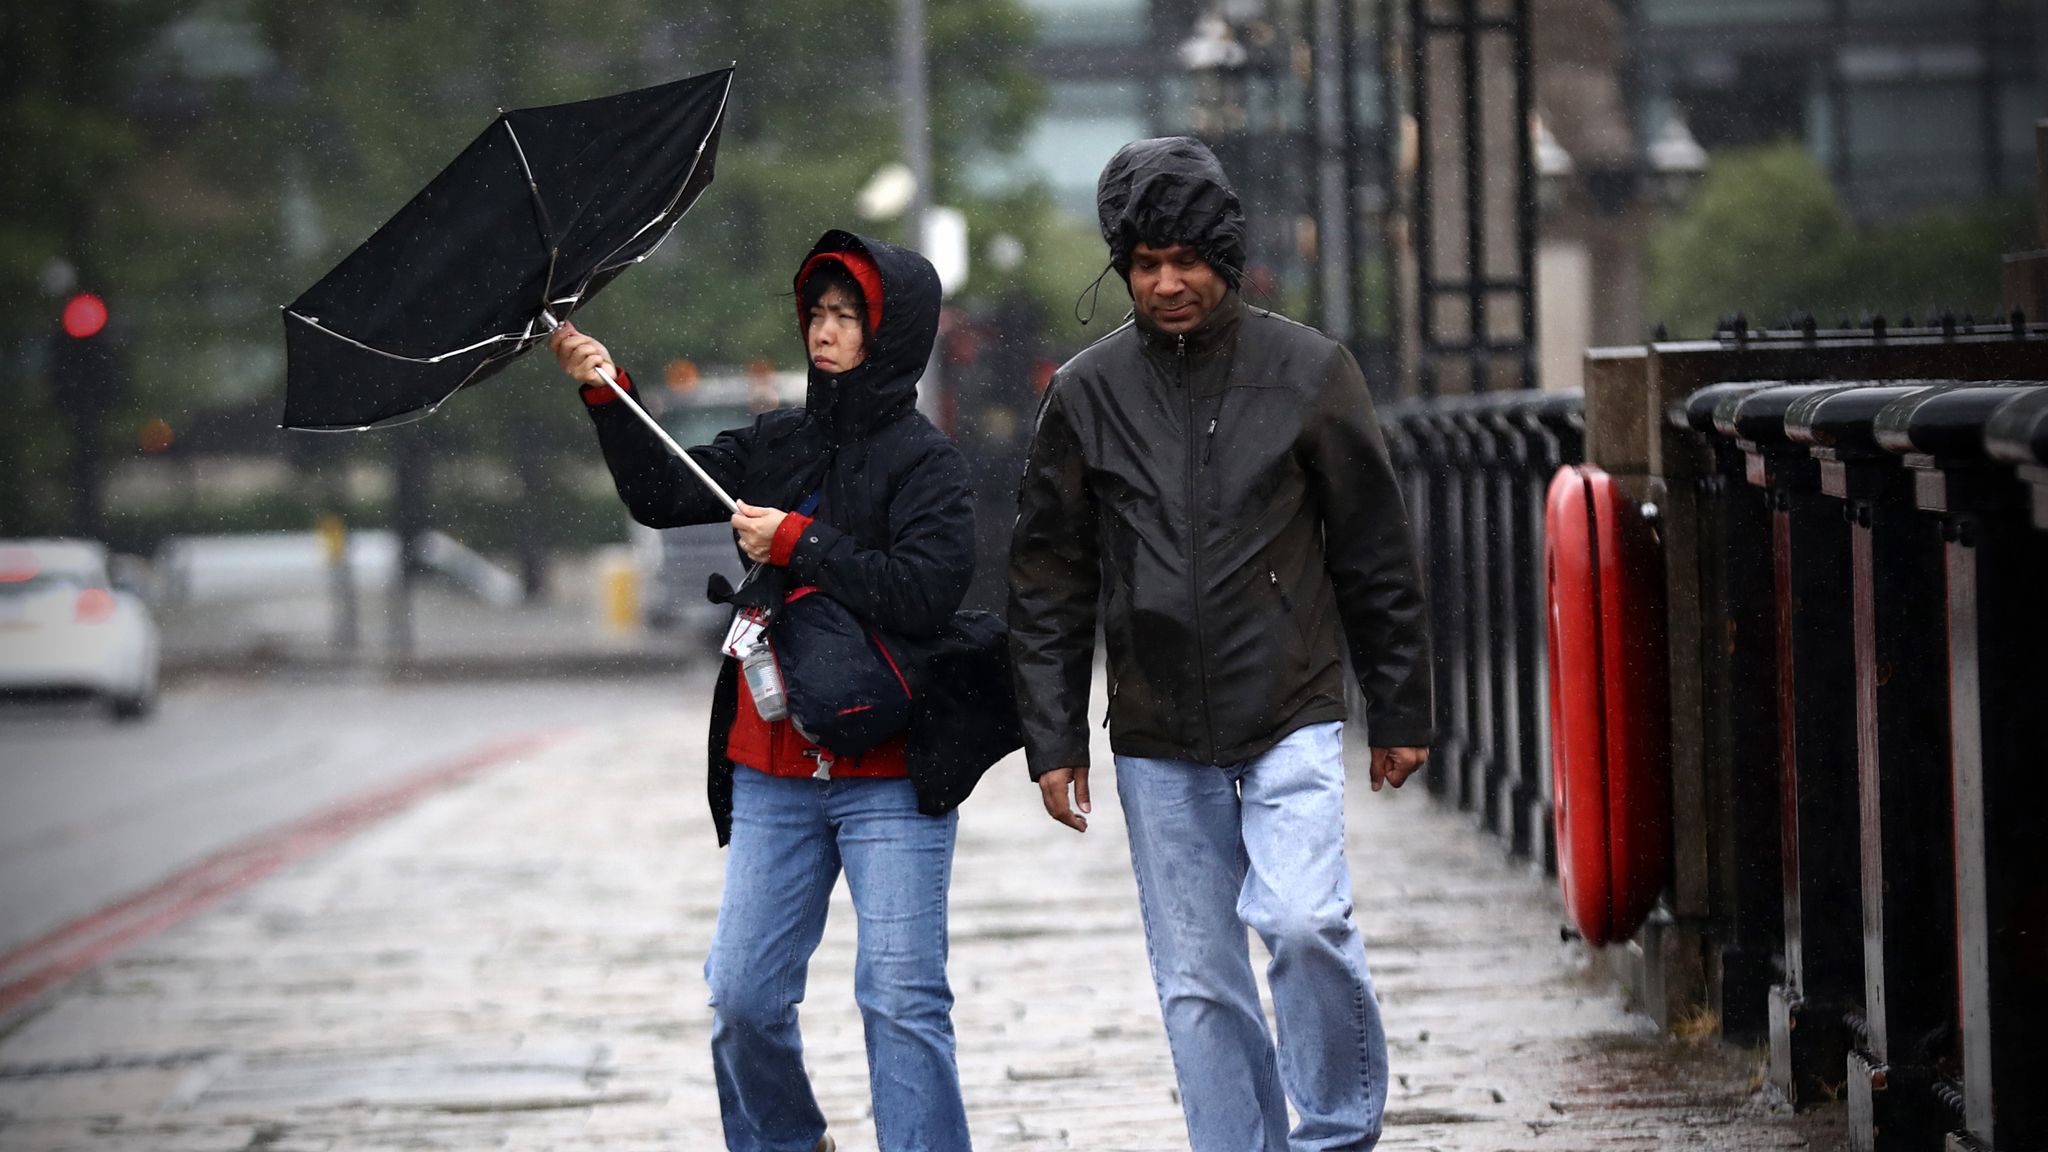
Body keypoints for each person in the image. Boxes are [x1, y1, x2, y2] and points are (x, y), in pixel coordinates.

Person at [1007, 137, 1435, 1152]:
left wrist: (1401, 707)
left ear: (1225, 258)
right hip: (1154, 728)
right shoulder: (1084, 393)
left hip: (1286, 702)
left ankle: (1333, 1129)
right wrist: (1053, 739)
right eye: (1144, 264)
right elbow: (1048, 577)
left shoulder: (1309, 372)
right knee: (1198, 980)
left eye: (1185, 261)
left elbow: (1374, 550)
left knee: (1301, 924)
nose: (1165, 284)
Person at [554, 231, 976, 1152]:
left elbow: (926, 591)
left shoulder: (928, 463)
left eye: (847, 317)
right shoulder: (778, 439)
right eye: (817, 314)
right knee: (742, 996)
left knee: (901, 998)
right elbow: (663, 492)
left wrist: (798, 544)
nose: (825, 333)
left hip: (892, 772)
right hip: (772, 766)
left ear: (890, 331)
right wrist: (606, 391)